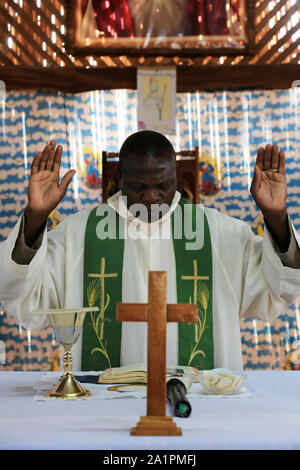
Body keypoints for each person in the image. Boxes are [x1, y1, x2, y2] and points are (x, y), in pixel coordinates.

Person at [1, 130, 300, 372]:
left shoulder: (220, 234)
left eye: (163, 185)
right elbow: (26, 297)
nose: (152, 198)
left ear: (177, 178)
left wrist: (275, 216)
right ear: (118, 180)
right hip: (105, 406)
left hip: (198, 403)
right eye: (140, 187)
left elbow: (278, 290)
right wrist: (36, 216)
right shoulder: (78, 235)